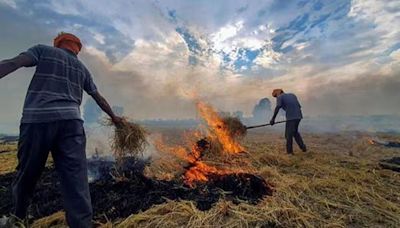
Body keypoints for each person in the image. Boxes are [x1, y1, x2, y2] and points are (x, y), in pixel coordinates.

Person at [0, 32, 123, 227]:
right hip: (72, 124)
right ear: (77, 48)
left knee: (27, 174)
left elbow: (16, 62)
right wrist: (115, 118)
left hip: (38, 121)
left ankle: (17, 219)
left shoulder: (43, 51)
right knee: (76, 181)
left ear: (58, 44)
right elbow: (98, 97)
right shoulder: (82, 68)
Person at [269, 89, 306, 155]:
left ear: (278, 93)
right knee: (295, 132)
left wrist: (273, 119)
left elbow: (278, 107)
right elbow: (298, 106)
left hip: (291, 117)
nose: (276, 98)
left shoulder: (280, 97)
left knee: (288, 135)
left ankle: (289, 153)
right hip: (299, 116)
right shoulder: (292, 95)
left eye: (275, 96)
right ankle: (303, 148)